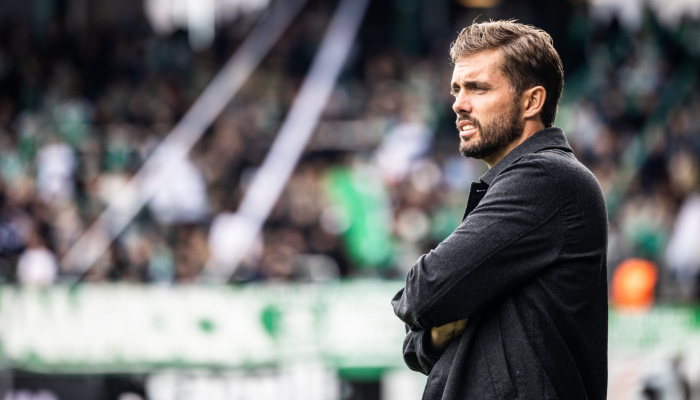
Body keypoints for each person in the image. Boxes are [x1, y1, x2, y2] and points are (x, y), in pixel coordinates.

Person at [391, 20, 608, 399]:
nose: (459, 103)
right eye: (457, 89)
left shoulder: (545, 178)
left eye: (478, 88)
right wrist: (432, 334)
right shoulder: (523, 183)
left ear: (531, 102)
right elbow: (416, 347)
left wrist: (432, 320)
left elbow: (424, 290)